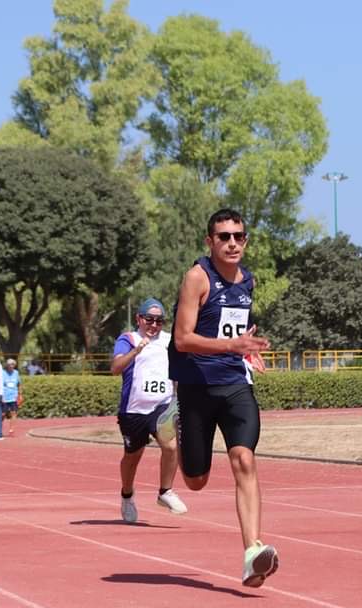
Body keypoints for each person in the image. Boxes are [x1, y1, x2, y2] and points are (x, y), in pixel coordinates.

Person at [169, 208, 278, 588]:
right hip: (196, 388)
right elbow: (182, 339)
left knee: (244, 459)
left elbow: (232, 330)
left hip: (235, 385)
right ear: (210, 241)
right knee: (196, 481)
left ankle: (252, 554)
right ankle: (181, 429)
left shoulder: (247, 280)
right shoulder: (197, 278)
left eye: (239, 236)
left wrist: (246, 351)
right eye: (224, 237)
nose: (233, 243)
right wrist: (232, 345)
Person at [111, 298, 186, 523]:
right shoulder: (128, 339)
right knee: (132, 456)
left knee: (170, 446)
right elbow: (115, 368)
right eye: (149, 320)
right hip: (133, 410)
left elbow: (182, 366)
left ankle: (165, 491)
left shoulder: (169, 341)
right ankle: (127, 495)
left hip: (162, 405)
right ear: (139, 319)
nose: (154, 325)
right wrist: (136, 351)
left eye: (159, 321)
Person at [2, 358, 23, 436]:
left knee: (13, 413)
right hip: (4, 397)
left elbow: (19, 384)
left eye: (13, 365)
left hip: (13, 396)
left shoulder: (16, 373)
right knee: (3, 414)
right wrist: (1, 396)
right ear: (7, 365)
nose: (11, 366)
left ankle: (11, 430)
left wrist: (20, 395)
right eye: (9, 365)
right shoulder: (2, 373)